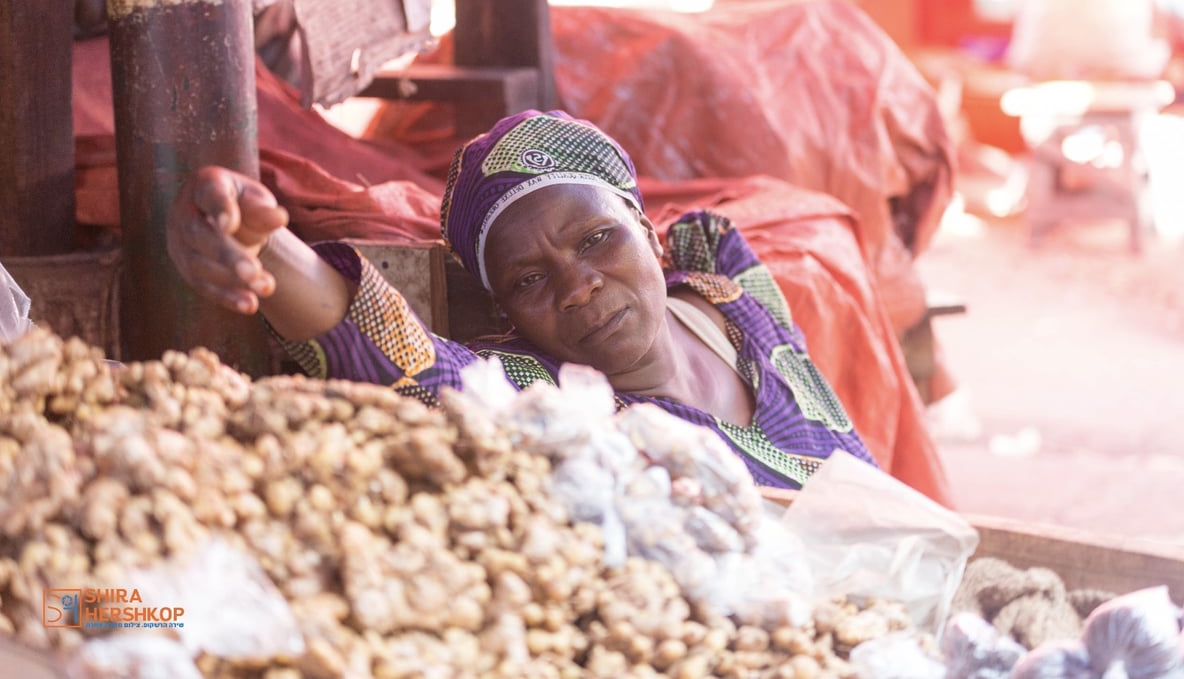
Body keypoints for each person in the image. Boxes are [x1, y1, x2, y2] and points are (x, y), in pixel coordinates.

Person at [167, 109, 877, 489]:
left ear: (647, 231)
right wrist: (263, 249)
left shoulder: (730, 293)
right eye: (529, 280)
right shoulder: (560, 407)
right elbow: (410, 366)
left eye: (598, 237)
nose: (579, 285)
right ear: (508, 313)